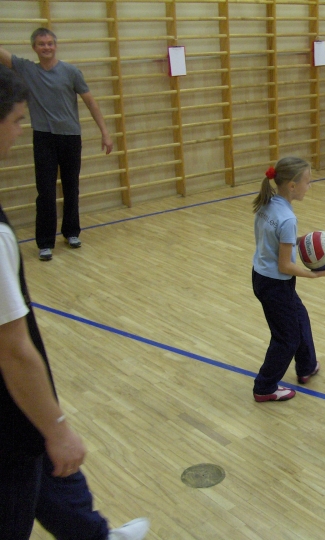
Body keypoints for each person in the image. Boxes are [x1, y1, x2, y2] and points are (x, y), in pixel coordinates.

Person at [0, 66, 148, 539]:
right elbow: (13, 350)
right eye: (17, 121)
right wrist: (58, 425)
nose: (20, 132)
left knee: (55, 479)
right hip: (10, 412)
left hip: (19, 414)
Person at [0, 28, 114, 262]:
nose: (47, 47)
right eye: (41, 44)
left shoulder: (71, 72)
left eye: (50, 43)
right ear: (34, 47)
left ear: (55, 45)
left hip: (70, 137)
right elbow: (4, 56)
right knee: (45, 191)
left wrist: (105, 132)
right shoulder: (27, 69)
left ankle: (71, 232)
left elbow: (90, 102)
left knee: (71, 187)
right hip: (44, 138)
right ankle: (45, 242)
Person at [251, 158, 325, 402]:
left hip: (262, 277)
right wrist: (314, 274)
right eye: (308, 182)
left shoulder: (268, 203)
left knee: (299, 317)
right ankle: (264, 387)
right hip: (276, 284)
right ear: (292, 186)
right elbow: (285, 265)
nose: (310, 186)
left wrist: (299, 240)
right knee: (286, 338)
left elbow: (272, 239)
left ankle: (307, 365)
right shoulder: (287, 218)